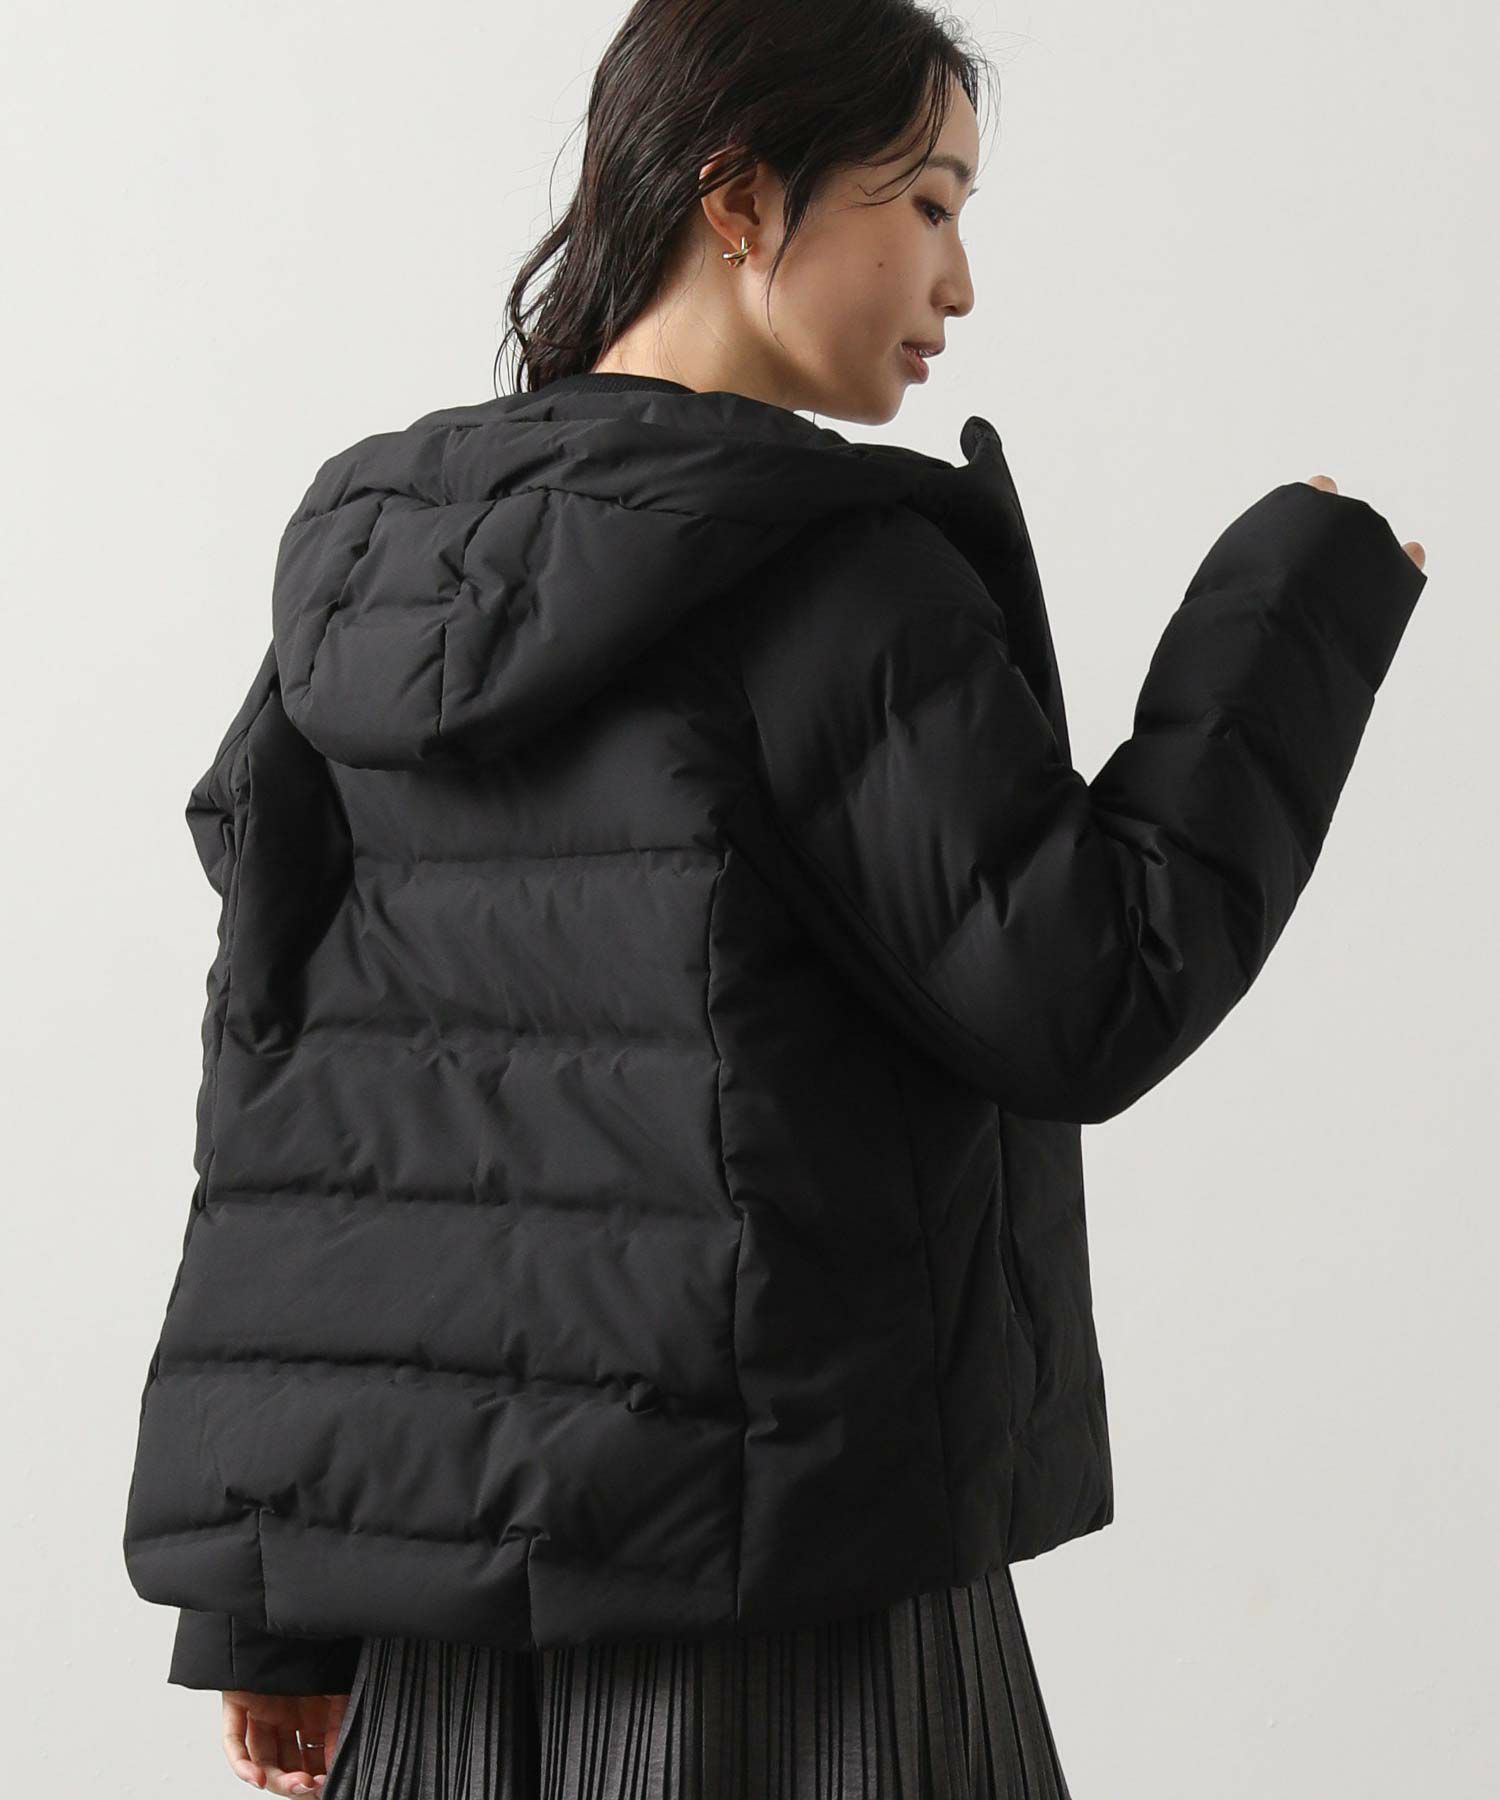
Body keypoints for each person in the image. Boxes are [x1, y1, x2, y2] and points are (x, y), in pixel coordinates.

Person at [120, 1, 1428, 1795]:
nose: (958, 279)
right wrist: (1296, 616)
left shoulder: (376, 574)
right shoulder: (824, 574)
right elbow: (1086, 991)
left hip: (444, 1650)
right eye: (929, 201)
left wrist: (263, 1609)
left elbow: (289, 1099)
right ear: (739, 199)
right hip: (794, 1633)